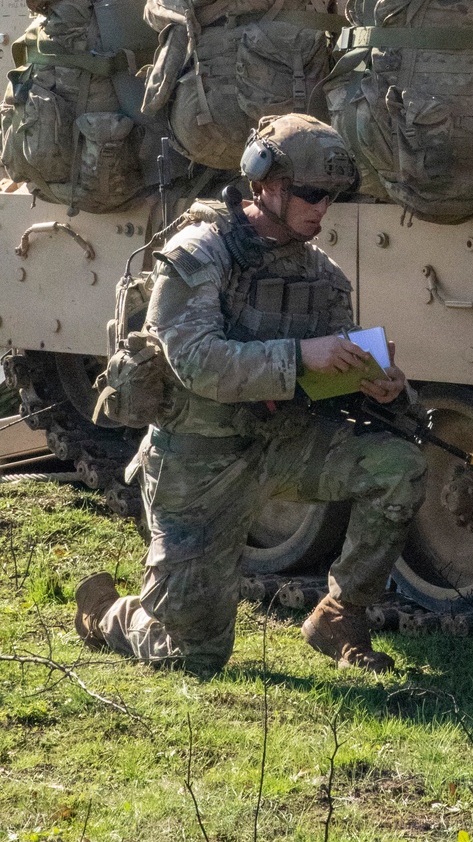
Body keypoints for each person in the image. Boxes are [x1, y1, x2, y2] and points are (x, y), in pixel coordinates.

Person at [73, 113, 427, 675]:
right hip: (198, 458)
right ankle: (112, 616)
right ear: (265, 183)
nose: (322, 209)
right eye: (311, 194)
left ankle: (341, 613)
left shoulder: (323, 275)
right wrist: (298, 356)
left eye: (331, 196)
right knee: (194, 659)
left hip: (283, 442)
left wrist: (381, 389)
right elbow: (192, 361)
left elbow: (329, 383)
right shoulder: (200, 253)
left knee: (398, 467)